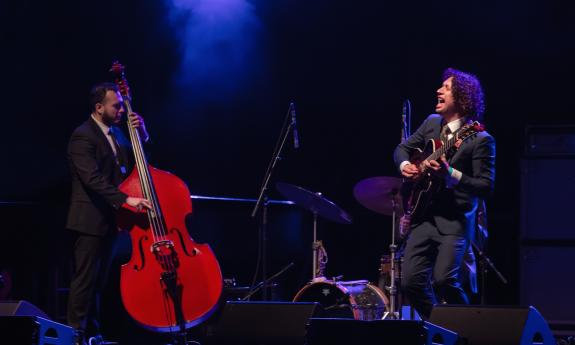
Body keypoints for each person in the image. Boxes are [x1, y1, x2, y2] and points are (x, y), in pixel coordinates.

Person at [393, 68, 495, 319]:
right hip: (424, 217)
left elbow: (486, 186)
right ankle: (442, 327)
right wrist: (406, 165)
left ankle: (470, 328)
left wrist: (451, 175)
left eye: (446, 88)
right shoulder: (431, 123)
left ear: (462, 98)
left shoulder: (479, 138)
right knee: (410, 283)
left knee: (443, 280)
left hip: (455, 221)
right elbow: (402, 149)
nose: (438, 91)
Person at [66, 82, 151, 345]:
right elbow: (93, 179)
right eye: (116, 105)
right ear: (99, 107)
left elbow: (135, 166)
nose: (122, 110)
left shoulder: (117, 134)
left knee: (99, 285)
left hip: (111, 221)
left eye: (122, 105)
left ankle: (93, 335)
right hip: (90, 220)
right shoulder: (82, 136)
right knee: (84, 284)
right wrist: (126, 200)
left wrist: (143, 135)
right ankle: (75, 336)